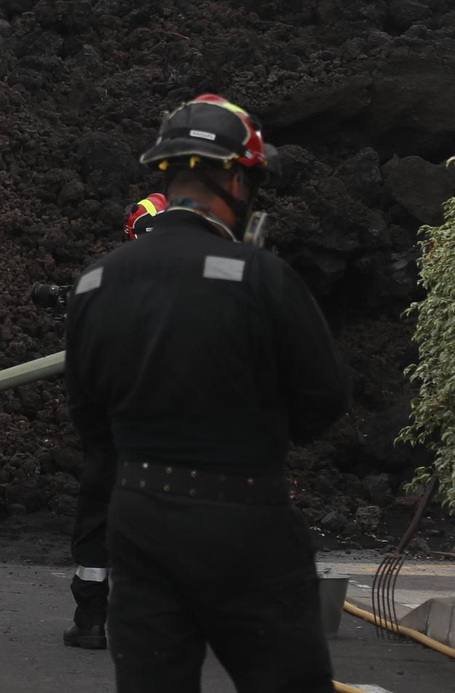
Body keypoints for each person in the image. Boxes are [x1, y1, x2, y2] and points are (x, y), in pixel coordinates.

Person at [66, 94, 352, 692]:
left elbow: (88, 413)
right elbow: (324, 399)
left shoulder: (95, 281)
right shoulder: (260, 278)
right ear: (231, 177)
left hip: (139, 516)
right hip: (244, 520)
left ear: (168, 175)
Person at [65, 191, 170, 651]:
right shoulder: (207, 281)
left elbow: (80, 369)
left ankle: (91, 620)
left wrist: (94, 436)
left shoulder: (99, 282)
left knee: (96, 520)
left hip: (109, 434)